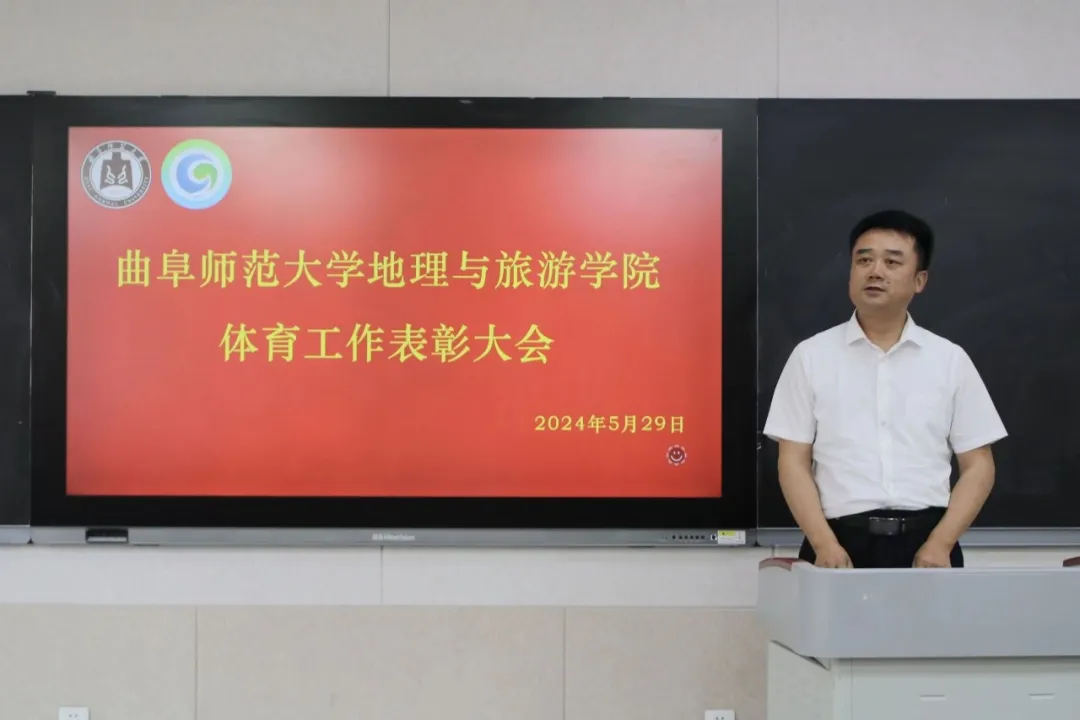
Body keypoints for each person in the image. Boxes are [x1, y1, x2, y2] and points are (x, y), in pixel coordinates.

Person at [762, 210, 1007, 569]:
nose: (875, 271)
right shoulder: (811, 356)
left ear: (919, 280)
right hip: (837, 543)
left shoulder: (949, 359)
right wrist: (823, 544)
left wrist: (941, 543)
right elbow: (792, 460)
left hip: (929, 544)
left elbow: (979, 466)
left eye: (892, 262)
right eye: (864, 260)